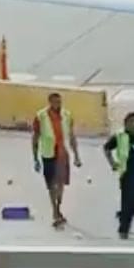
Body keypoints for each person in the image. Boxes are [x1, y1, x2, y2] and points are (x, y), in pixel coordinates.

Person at [32, 92, 82, 228]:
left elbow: (71, 137)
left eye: (59, 102)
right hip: (48, 154)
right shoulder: (40, 116)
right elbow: (35, 138)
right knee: (51, 185)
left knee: (60, 184)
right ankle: (55, 210)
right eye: (55, 102)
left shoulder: (67, 116)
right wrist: (35, 158)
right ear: (49, 102)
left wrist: (76, 155)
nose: (57, 105)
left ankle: (57, 207)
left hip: (62, 153)